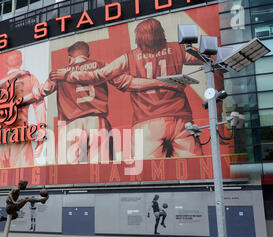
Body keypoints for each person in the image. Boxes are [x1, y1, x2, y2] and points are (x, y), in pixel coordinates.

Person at [50, 18, 203, 159]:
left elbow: (99, 75)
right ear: (161, 32)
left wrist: (69, 74)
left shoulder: (129, 57)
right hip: (182, 119)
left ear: (138, 37)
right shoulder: (178, 49)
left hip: (146, 122)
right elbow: (210, 59)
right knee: (194, 169)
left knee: (147, 175)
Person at [24, 40, 169, 164]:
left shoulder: (59, 73)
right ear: (87, 55)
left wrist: (17, 102)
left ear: (69, 58)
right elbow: (127, 83)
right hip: (97, 122)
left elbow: (39, 94)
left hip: (71, 126)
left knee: (69, 174)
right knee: (101, 171)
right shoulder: (101, 66)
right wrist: (159, 83)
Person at [0, 50, 43, 169]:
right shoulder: (31, 78)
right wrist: (41, 135)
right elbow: (39, 107)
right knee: (23, 180)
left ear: (6, 64)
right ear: (21, 62)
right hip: (20, 134)